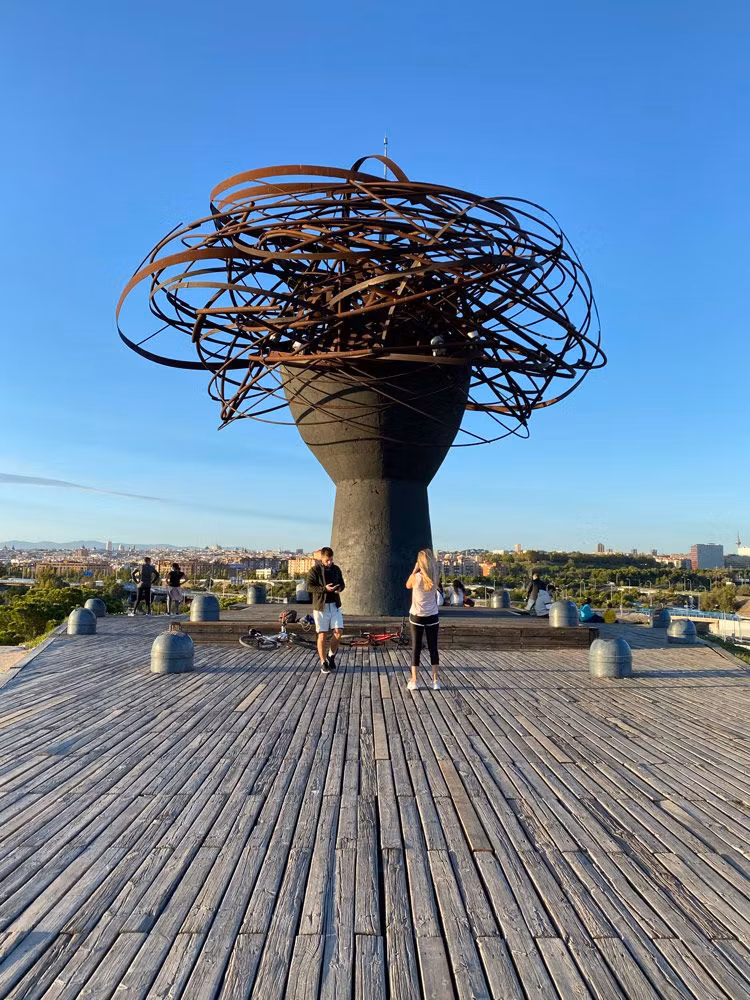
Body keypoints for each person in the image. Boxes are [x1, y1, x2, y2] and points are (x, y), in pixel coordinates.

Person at [305, 547, 345, 674]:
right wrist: (324, 589)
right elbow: (309, 587)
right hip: (320, 607)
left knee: (338, 632)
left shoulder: (336, 569)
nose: (330, 562)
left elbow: (342, 583)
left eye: (331, 560)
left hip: (334, 605)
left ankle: (331, 656)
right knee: (322, 635)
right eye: (327, 560)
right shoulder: (314, 570)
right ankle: (323, 662)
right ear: (321, 558)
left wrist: (339, 588)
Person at [406, 549, 441, 691]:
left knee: (416, 648)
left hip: (417, 616)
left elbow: (407, 585)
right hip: (432, 615)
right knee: (433, 647)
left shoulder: (416, 578)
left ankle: (414, 680)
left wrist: (415, 570)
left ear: (420, 563)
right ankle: (435, 680)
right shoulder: (436, 576)